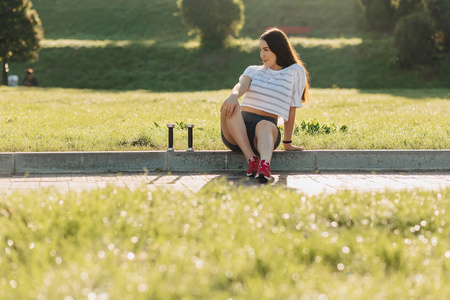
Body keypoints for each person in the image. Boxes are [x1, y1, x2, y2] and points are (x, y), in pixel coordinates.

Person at [220, 27, 310, 182]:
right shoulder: (253, 70)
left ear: (278, 49)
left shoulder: (294, 71)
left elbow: (291, 108)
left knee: (264, 124)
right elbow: (241, 84)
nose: (262, 55)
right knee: (231, 106)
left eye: (266, 50)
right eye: (260, 50)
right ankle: (251, 160)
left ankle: (264, 166)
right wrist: (234, 96)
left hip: (265, 134)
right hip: (237, 131)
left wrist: (287, 143)